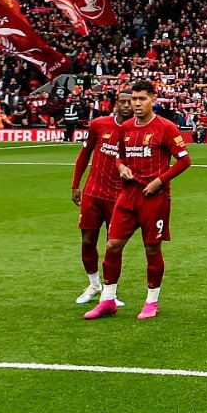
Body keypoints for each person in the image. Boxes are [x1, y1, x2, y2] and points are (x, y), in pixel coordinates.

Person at [84, 80, 190, 321]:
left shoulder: (166, 128)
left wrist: (160, 181)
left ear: (154, 100)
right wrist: (121, 167)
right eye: (134, 99)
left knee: (152, 248)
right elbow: (119, 156)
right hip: (128, 195)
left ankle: (151, 302)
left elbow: (184, 160)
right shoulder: (127, 127)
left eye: (142, 99)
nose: (137, 103)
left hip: (155, 197)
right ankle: (108, 300)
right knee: (112, 246)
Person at [70, 97, 128, 308]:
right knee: (87, 241)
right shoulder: (99, 125)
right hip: (93, 192)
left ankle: (110, 292)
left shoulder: (136, 131)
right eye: (123, 101)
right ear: (116, 104)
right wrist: (76, 185)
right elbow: (84, 154)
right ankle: (94, 285)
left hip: (120, 197)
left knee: (113, 246)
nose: (127, 105)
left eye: (131, 101)